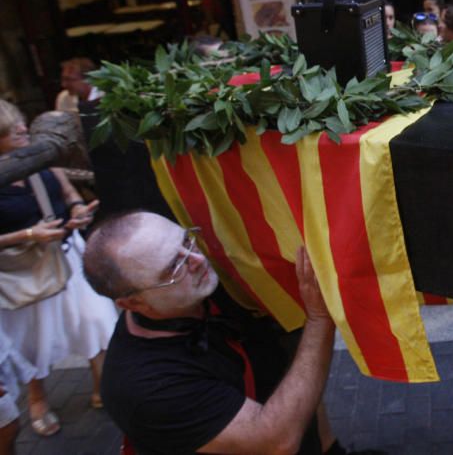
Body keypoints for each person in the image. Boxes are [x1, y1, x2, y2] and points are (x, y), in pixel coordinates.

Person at [83, 210, 360, 455]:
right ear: (133, 303)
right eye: (174, 267)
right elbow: (276, 442)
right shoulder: (144, 388)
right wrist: (319, 318)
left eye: (187, 241)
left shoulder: (204, 290)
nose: (197, 260)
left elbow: (296, 374)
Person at [0, 101, 115, 438]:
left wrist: (78, 210)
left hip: (66, 253)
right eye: (11, 126)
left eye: (21, 121)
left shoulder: (40, 157)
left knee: (96, 319)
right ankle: (37, 396)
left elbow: (68, 194)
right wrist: (29, 234)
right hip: (22, 270)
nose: (23, 129)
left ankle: (101, 384)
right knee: (34, 341)